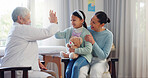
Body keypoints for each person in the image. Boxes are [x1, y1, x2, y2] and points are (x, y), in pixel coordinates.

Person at [1, 7, 58, 78]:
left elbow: (25, 49)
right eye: (28, 18)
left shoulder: (16, 29)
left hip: (18, 69)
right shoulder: (21, 29)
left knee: (53, 74)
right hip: (17, 71)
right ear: (20, 18)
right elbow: (47, 32)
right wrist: (54, 23)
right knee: (50, 77)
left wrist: (37, 61)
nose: (30, 21)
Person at [55, 10, 92, 78]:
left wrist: (75, 50)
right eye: (71, 20)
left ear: (82, 20)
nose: (72, 22)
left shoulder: (86, 33)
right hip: (73, 56)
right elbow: (57, 35)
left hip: (84, 56)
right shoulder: (69, 31)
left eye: (74, 20)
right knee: (68, 71)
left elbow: (88, 50)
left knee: (76, 66)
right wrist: (55, 23)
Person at [79, 11, 113, 78]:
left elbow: (103, 56)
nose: (90, 23)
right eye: (91, 20)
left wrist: (93, 42)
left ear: (102, 25)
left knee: (95, 70)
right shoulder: (87, 30)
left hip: (100, 61)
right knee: (80, 70)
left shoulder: (108, 35)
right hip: (87, 59)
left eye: (94, 23)